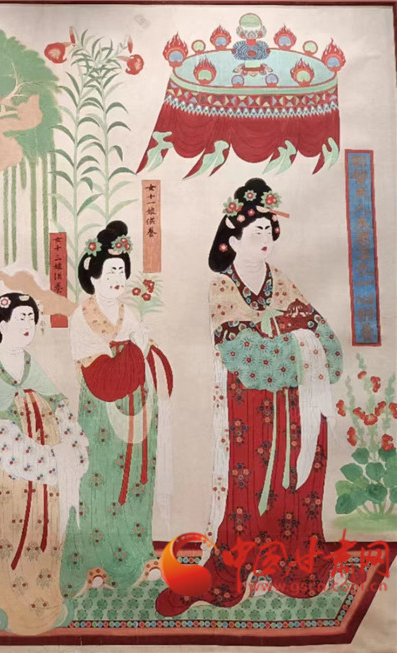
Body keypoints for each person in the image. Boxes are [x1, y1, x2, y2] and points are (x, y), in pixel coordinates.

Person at [156, 178, 344, 616]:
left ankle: (290, 563)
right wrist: (293, 336)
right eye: (255, 230)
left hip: (295, 404)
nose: (264, 238)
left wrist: (285, 336)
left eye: (269, 230)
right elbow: (242, 354)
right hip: (247, 405)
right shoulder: (223, 288)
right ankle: (236, 567)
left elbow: (328, 343)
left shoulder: (283, 282)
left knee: (293, 483)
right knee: (248, 484)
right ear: (233, 237)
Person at [59, 221, 174, 598]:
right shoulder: (82, 317)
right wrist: (131, 351)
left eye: (121, 272)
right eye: (109, 272)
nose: (116, 279)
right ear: (91, 275)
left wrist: (134, 350)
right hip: (101, 409)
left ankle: (135, 554)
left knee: (136, 478)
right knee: (99, 478)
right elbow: (98, 370)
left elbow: (139, 353)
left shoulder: (131, 314)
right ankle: (95, 561)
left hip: (138, 405)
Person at [0, 293, 89, 636]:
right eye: (20, 318)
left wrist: (69, 446)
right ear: (1, 323)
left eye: (31, 318)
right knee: (6, 532)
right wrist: (39, 457)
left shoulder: (29, 362)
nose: (27, 325)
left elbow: (58, 403)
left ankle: (40, 600)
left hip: (44, 468)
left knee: (43, 531)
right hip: (6, 464)